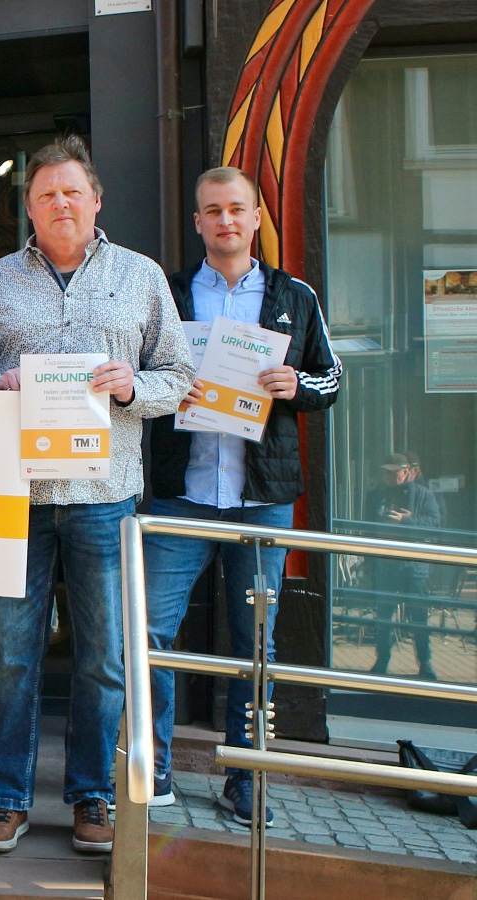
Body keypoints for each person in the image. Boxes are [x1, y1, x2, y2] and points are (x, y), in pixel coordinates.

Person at [0, 135, 193, 854]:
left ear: (96, 200)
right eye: (46, 193)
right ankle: (7, 800)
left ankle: (91, 797)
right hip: (14, 498)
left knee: (104, 659)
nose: (60, 203)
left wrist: (133, 387)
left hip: (105, 497)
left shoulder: (141, 276)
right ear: (28, 206)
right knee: (10, 659)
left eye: (71, 192)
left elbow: (179, 378)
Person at [144, 166, 342, 825]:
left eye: (236, 209)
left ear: (256, 217)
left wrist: (296, 386)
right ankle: (154, 768)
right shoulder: (169, 293)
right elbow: (140, 375)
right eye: (213, 210)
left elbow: (331, 377)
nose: (225, 220)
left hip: (262, 498)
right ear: (197, 221)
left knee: (256, 644)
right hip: (182, 492)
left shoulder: (294, 295)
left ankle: (246, 778)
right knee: (152, 634)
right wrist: (168, 387)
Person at [364, 453, 442, 680]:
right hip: (387, 564)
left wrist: (406, 521)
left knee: (418, 616)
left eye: (393, 472)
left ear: (406, 472)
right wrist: (368, 561)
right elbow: (368, 531)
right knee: (383, 616)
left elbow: (435, 524)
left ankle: (424, 662)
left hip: (414, 565)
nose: (388, 476)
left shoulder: (424, 495)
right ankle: (383, 659)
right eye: (385, 472)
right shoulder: (376, 496)